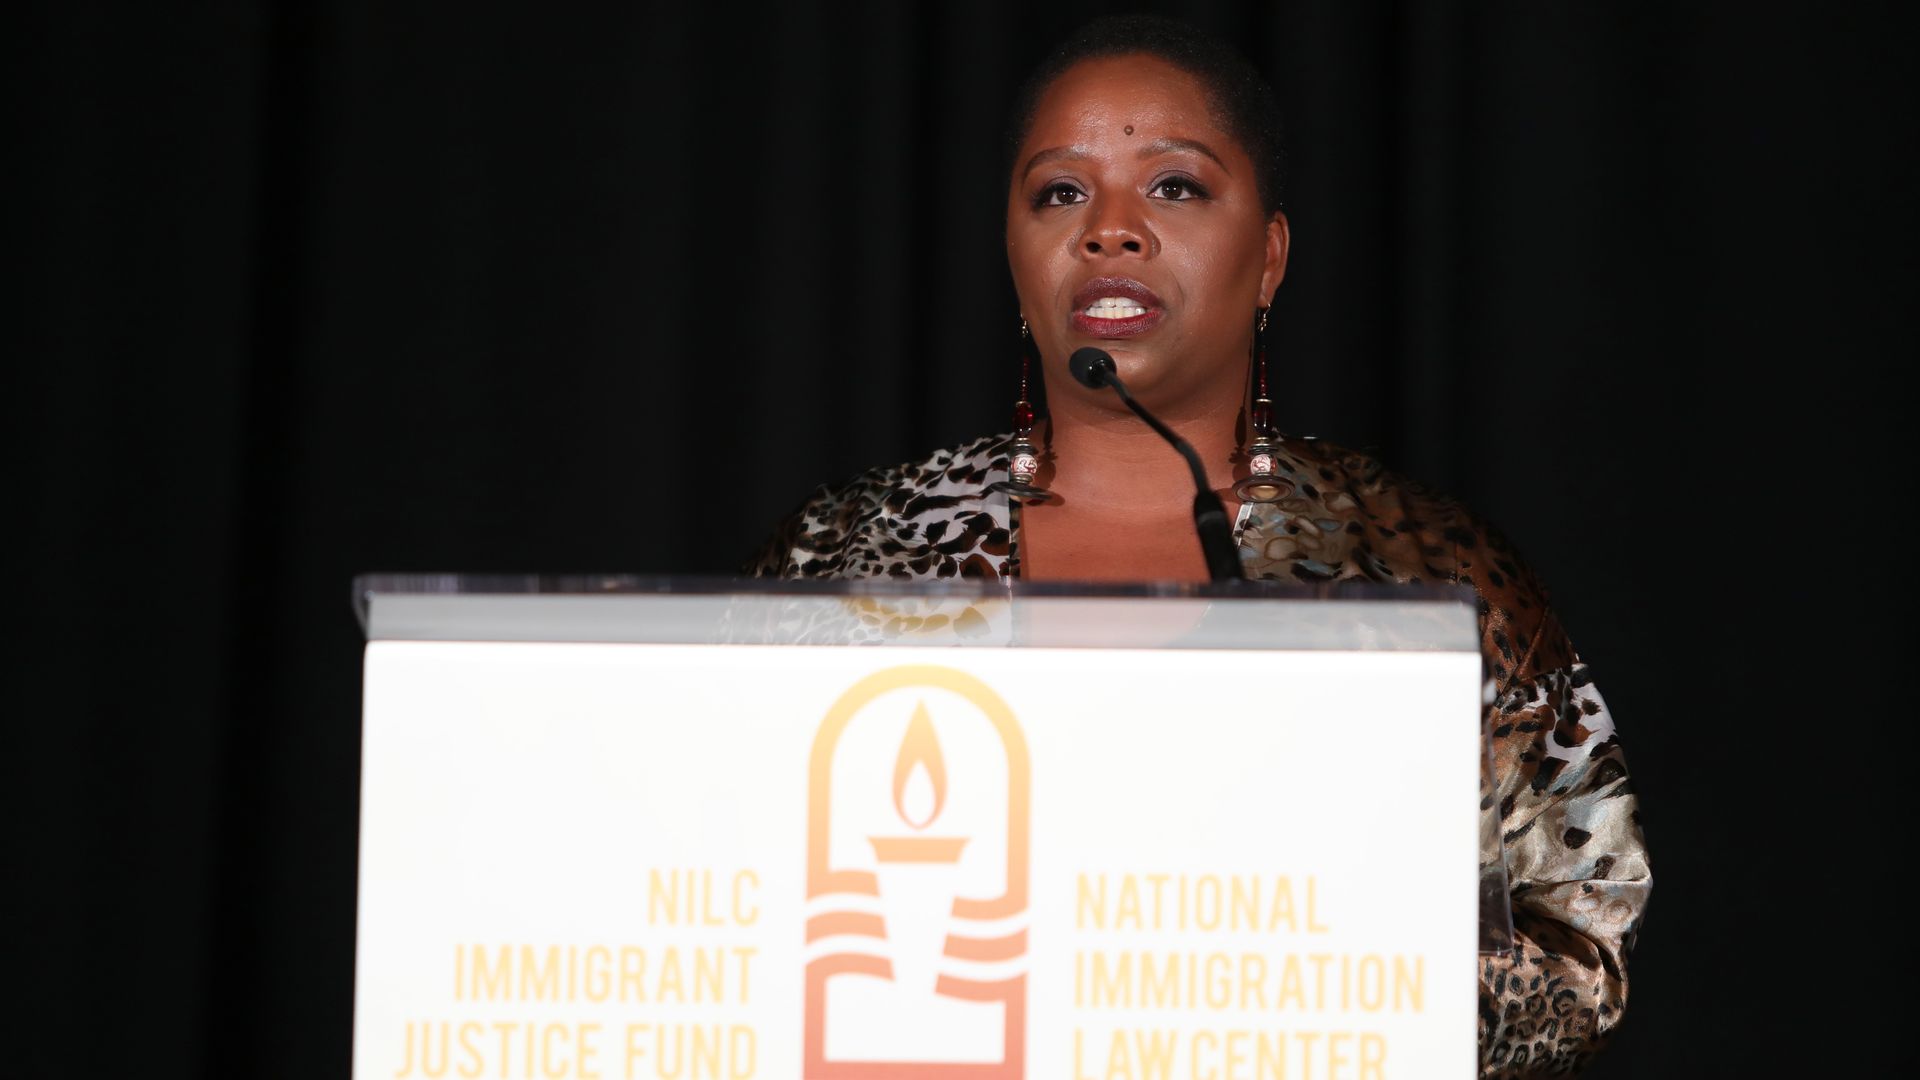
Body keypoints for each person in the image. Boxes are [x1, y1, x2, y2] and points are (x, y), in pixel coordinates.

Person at [750, 15, 1650, 1076]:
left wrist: (1314, 994)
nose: (1111, 231)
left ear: (1268, 256)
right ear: (1012, 250)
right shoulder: (850, 549)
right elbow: (728, 893)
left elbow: (1582, 928)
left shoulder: (1427, 567)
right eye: (1060, 192)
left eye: (1173, 186)